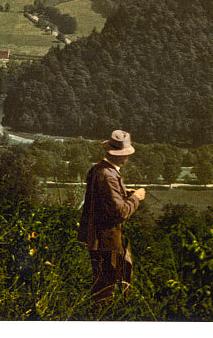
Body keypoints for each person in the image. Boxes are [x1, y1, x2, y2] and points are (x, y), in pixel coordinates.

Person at [77, 129, 146, 307]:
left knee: (102, 284)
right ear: (118, 156)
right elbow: (119, 212)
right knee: (105, 289)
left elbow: (103, 200)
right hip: (106, 241)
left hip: (96, 239)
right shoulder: (109, 175)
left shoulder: (98, 169)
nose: (127, 158)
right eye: (125, 154)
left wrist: (124, 193)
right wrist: (135, 198)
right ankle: (101, 318)